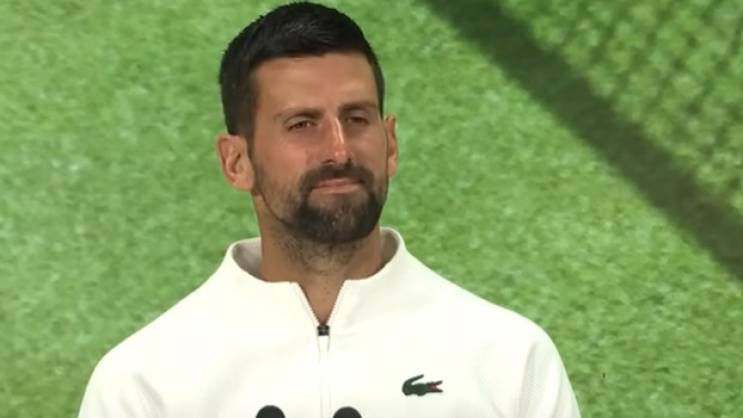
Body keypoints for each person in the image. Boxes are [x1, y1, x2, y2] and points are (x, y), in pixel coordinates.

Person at [78, 2, 581, 417]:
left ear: (390, 143)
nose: (339, 150)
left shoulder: (510, 361)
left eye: (357, 118)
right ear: (236, 161)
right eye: (302, 124)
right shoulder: (144, 386)